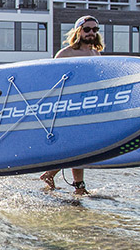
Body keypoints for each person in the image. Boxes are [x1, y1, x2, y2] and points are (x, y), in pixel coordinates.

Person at [40, 15, 104, 195]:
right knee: (76, 145)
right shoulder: (65, 54)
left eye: (95, 30)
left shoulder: (95, 53)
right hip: (69, 106)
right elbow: (53, 81)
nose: (92, 33)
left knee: (80, 147)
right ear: (78, 31)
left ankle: (51, 175)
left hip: (88, 105)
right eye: (87, 29)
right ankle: (79, 186)